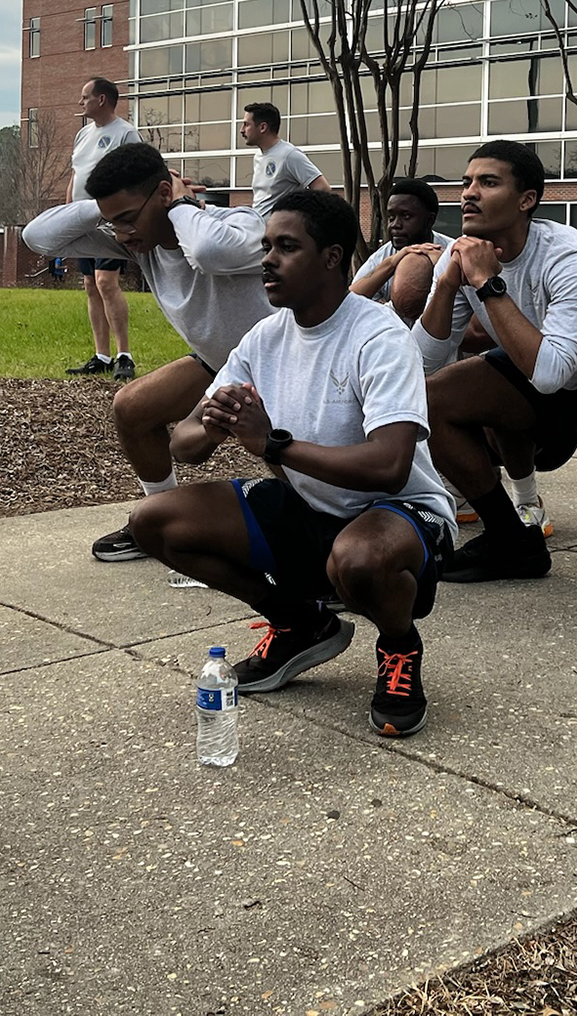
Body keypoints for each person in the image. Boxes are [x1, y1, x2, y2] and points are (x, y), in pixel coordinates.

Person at [131, 189, 453, 737]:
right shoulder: (265, 337)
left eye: (286, 247)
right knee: (154, 522)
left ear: (331, 257)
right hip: (308, 506)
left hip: (397, 512)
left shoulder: (377, 336)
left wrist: (272, 445)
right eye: (265, 246)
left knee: (358, 561)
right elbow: (182, 445)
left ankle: (399, 646)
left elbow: (390, 467)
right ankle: (300, 624)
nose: (267, 260)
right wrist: (211, 421)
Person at [412, 140, 577, 635]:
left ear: (526, 200)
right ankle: (511, 539)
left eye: (488, 183)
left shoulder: (572, 255)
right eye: (467, 182)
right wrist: (450, 283)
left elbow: (554, 373)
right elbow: (420, 364)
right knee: (428, 400)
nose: (469, 194)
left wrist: (489, 285)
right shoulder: (463, 255)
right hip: (542, 360)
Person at [22, 141, 275, 564]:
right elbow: (38, 238)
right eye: (113, 222)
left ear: (162, 194)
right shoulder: (140, 240)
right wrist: (104, 210)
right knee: (133, 407)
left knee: (290, 457)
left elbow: (212, 254)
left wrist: (178, 206)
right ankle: (162, 518)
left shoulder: (236, 223)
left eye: (127, 219)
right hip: (221, 365)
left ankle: (337, 537)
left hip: (291, 368)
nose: (122, 235)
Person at [65, 78, 144, 380]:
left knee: (106, 282)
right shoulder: (83, 134)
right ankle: (102, 355)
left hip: (110, 220)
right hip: (81, 219)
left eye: (84, 97)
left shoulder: (126, 134)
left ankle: (124, 355)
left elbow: (138, 176)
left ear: (101, 100)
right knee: (89, 284)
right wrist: (68, 208)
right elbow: (76, 174)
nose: (80, 102)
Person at [350, 176, 452, 318]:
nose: (395, 225)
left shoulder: (450, 252)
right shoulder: (382, 258)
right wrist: (391, 264)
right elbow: (349, 303)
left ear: (430, 220)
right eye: (391, 217)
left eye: (406, 216)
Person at [242, 101, 329, 216]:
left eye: (246, 124)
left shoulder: (289, 155)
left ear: (263, 127)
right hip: (258, 230)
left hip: (278, 232)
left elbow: (322, 188)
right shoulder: (258, 156)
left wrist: (298, 216)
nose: (242, 130)